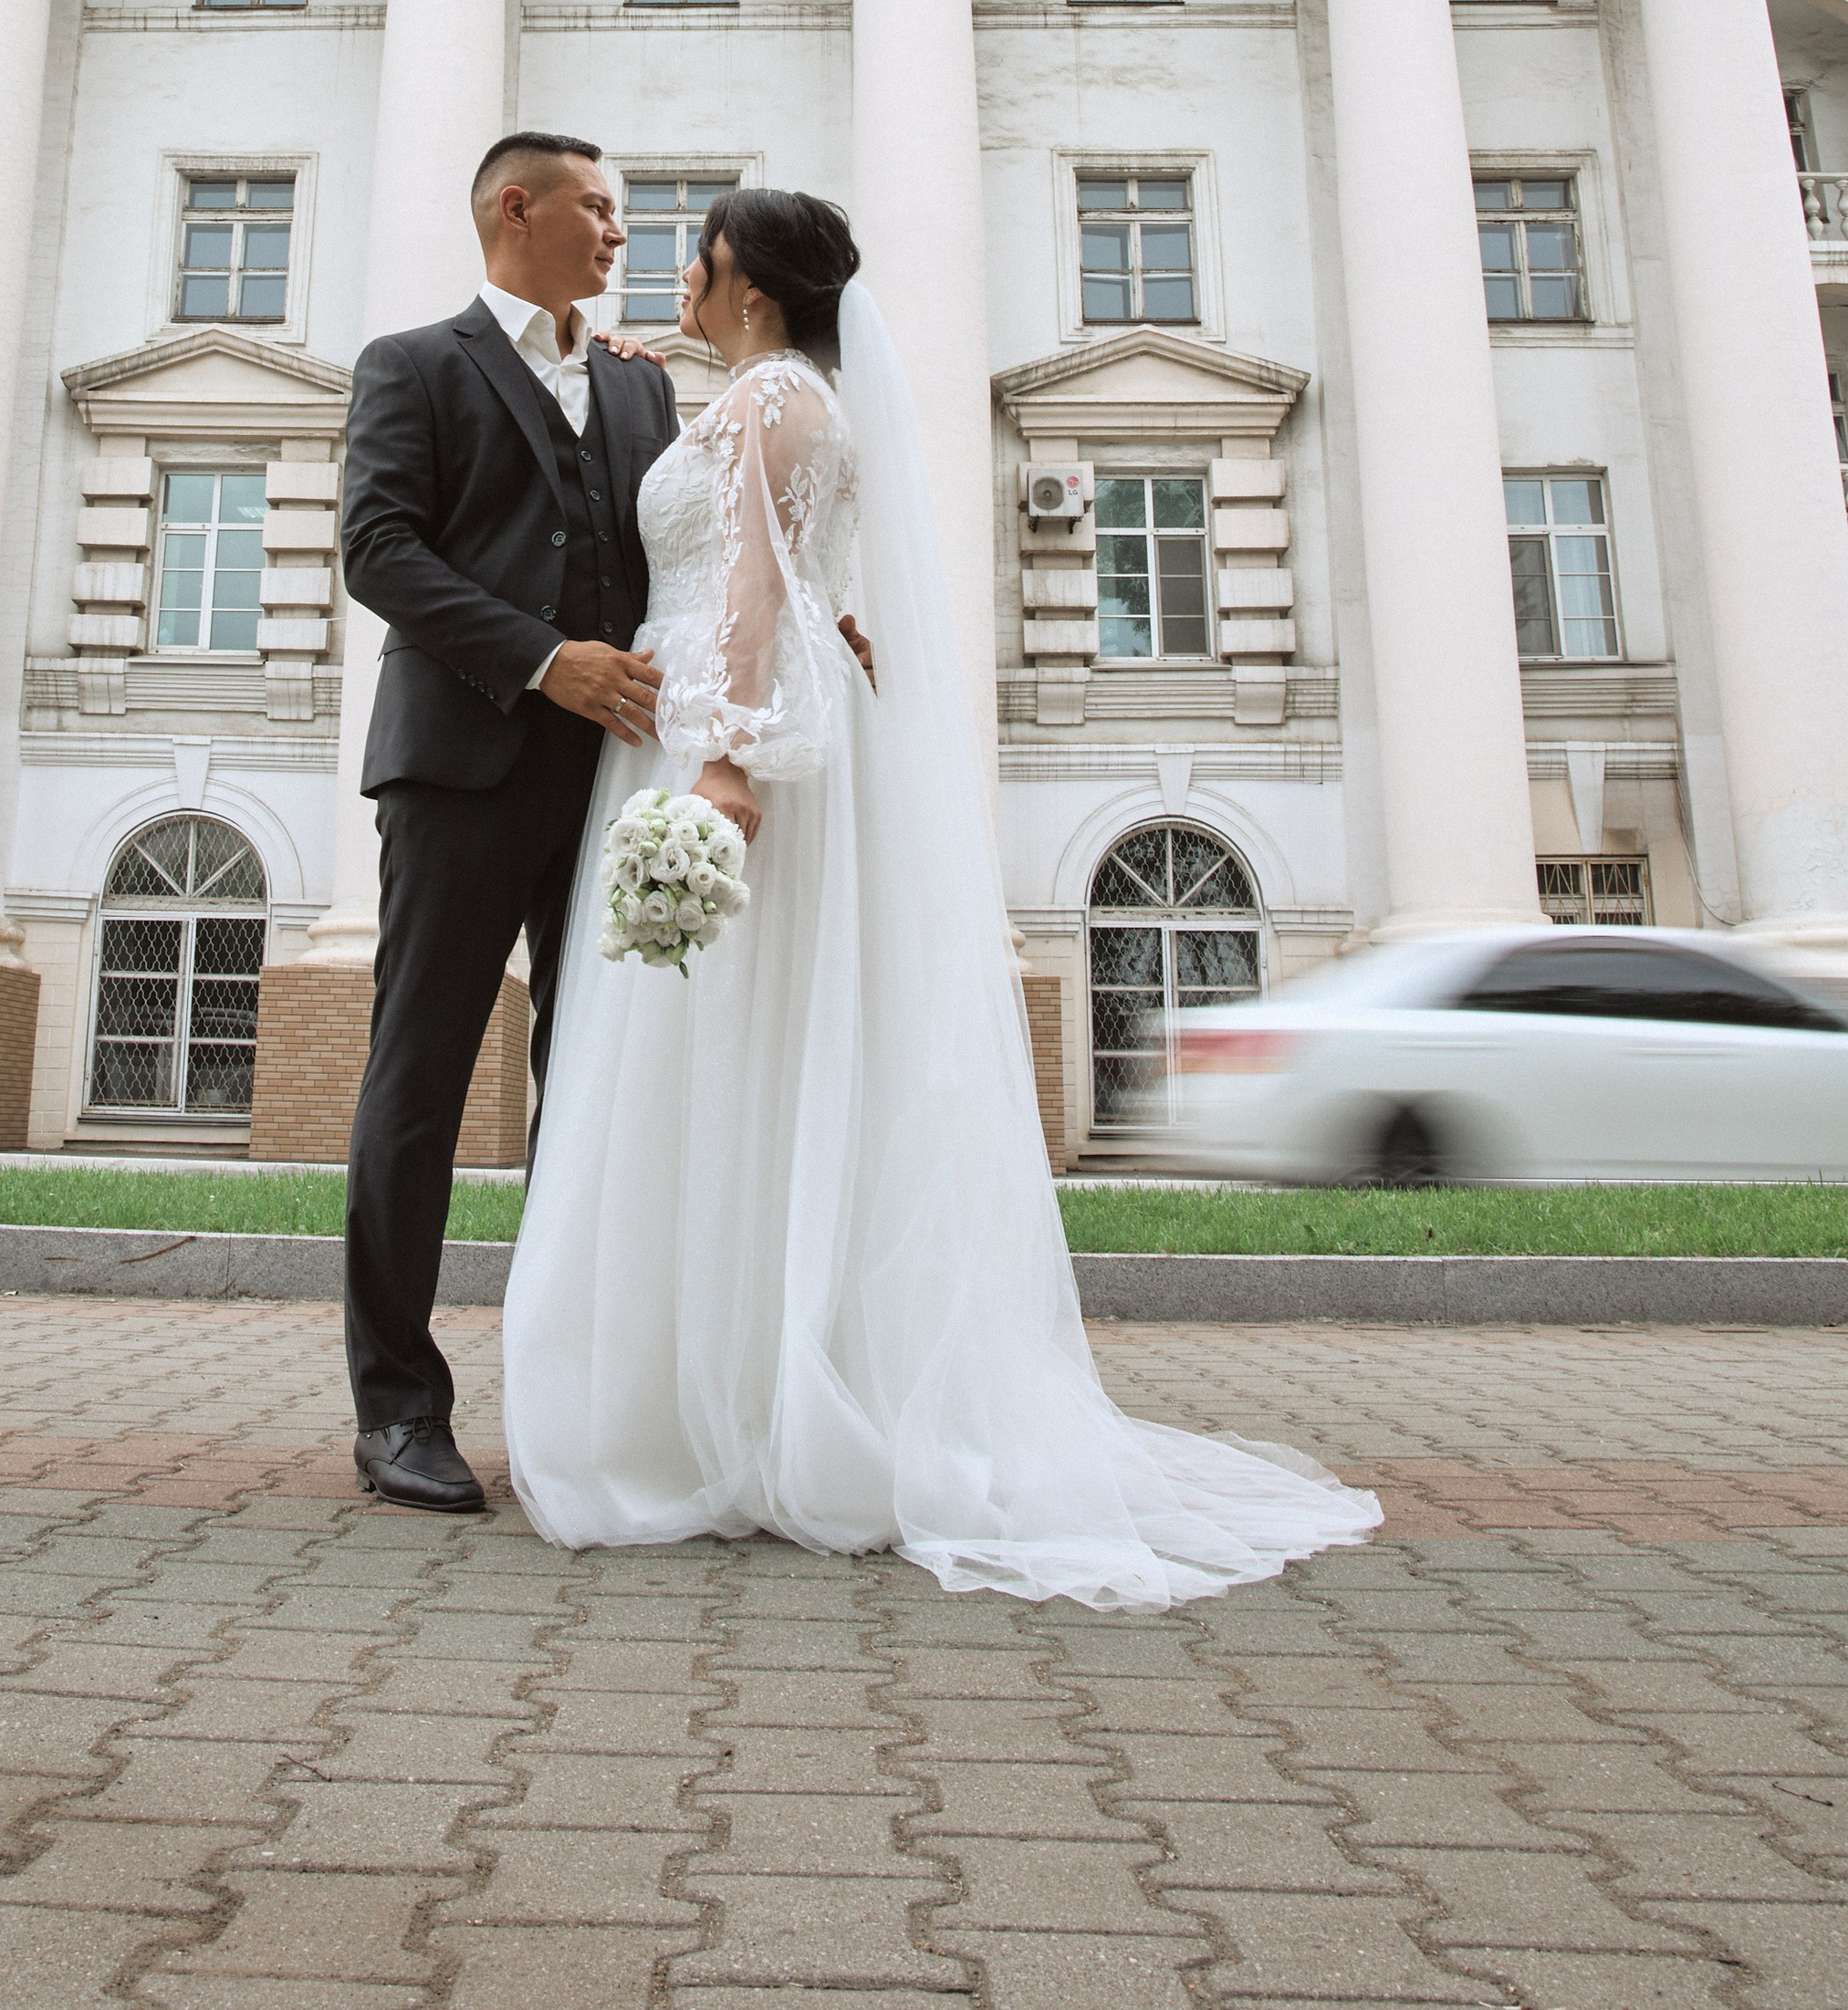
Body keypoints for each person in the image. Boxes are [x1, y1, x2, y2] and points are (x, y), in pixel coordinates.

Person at [503, 187, 1381, 1607]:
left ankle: (745, 1407)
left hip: (727, 731)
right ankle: (732, 1386)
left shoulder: (778, 400)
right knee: (723, 1060)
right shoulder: (754, 393)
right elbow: (791, 575)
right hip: (705, 716)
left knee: (730, 1057)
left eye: (696, 243)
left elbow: (751, 589)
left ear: (754, 285)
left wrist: (723, 761)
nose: (675, 262)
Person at [335, 132, 679, 1512]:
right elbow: (379, 548)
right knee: (416, 1086)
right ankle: (399, 1411)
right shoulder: (412, 364)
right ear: (516, 209)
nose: (618, 233)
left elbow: (689, 567)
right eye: (599, 208)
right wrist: (546, 658)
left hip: (613, 784)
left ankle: (563, 1393)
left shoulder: (642, 390)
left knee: (590, 1091)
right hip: (458, 770)